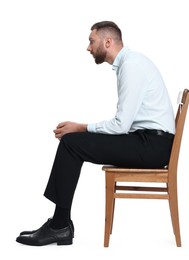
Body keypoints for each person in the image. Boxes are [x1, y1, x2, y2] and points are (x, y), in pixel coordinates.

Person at [16, 21, 175, 246]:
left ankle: (59, 226)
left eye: (92, 41)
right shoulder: (130, 64)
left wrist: (81, 126)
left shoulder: (132, 66)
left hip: (151, 146)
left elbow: (121, 126)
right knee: (72, 142)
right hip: (148, 142)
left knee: (71, 142)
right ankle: (60, 224)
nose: (88, 47)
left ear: (107, 42)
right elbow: (125, 125)